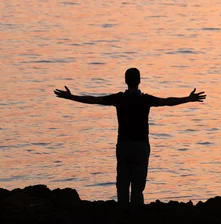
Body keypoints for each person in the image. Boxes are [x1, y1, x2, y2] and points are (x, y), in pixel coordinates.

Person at [54, 67, 206, 208]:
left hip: (124, 146)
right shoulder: (145, 99)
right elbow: (167, 101)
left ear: (126, 81)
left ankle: (123, 214)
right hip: (141, 146)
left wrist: (71, 97)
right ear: (139, 81)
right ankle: (137, 215)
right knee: (138, 188)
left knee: (122, 184)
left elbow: (94, 99)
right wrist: (188, 99)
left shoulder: (119, 99)